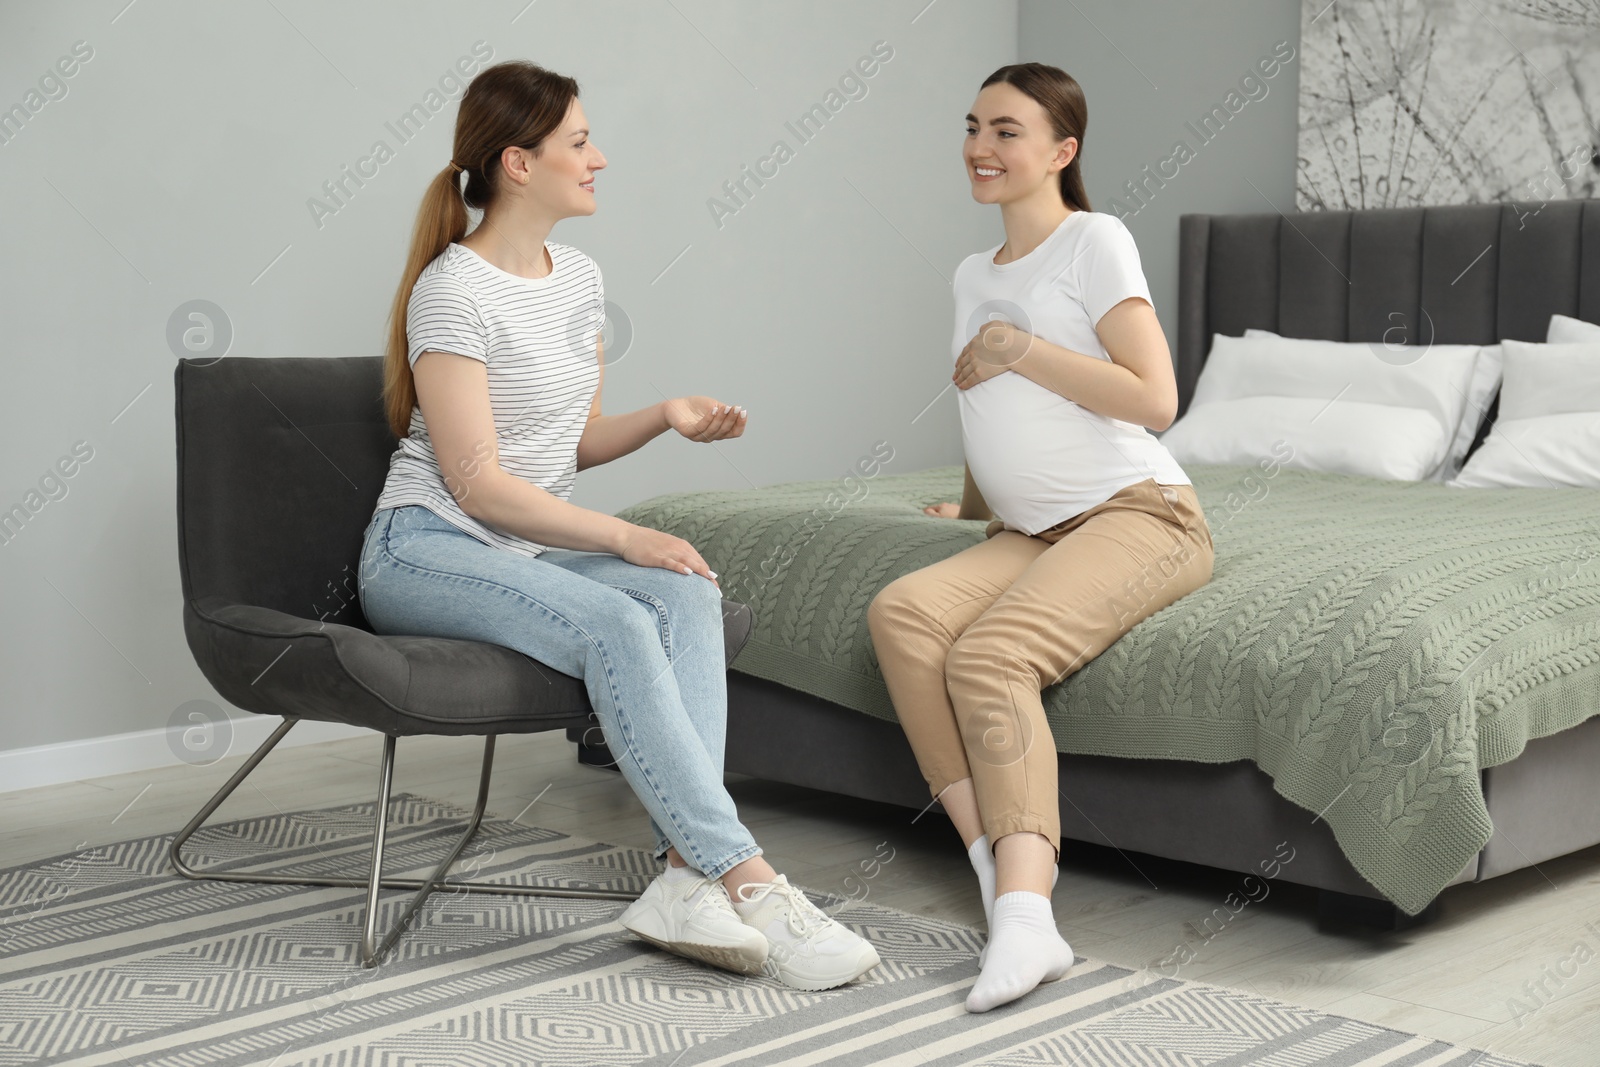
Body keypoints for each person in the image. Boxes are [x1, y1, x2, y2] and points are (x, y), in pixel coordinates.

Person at [356, 59, 879, 992]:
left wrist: (663, 414)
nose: (601, 158)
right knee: (622, 615)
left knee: (685, 591)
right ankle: (750, 880)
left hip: (515, 547)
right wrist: (623, 536)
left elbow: (568, 447)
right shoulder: (451, 290)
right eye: (580, 142)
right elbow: (477, 485)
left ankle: (683, 880)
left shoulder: (580, 279)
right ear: (518, 163)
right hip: (425, 548)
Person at [866, 62, 1216, 1014]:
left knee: (990, 655)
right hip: (1033, 526)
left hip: (1141, 511)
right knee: (901, 612)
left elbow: (1154, 397)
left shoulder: (1095, 241)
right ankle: (1001, 877)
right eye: (974, 125)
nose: (982, 145)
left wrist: (1022, 347)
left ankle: (1026, 912)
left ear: (1062, 150)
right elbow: (993, 410)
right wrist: (976, 502)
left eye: (1008, 131)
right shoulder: (971, 272)